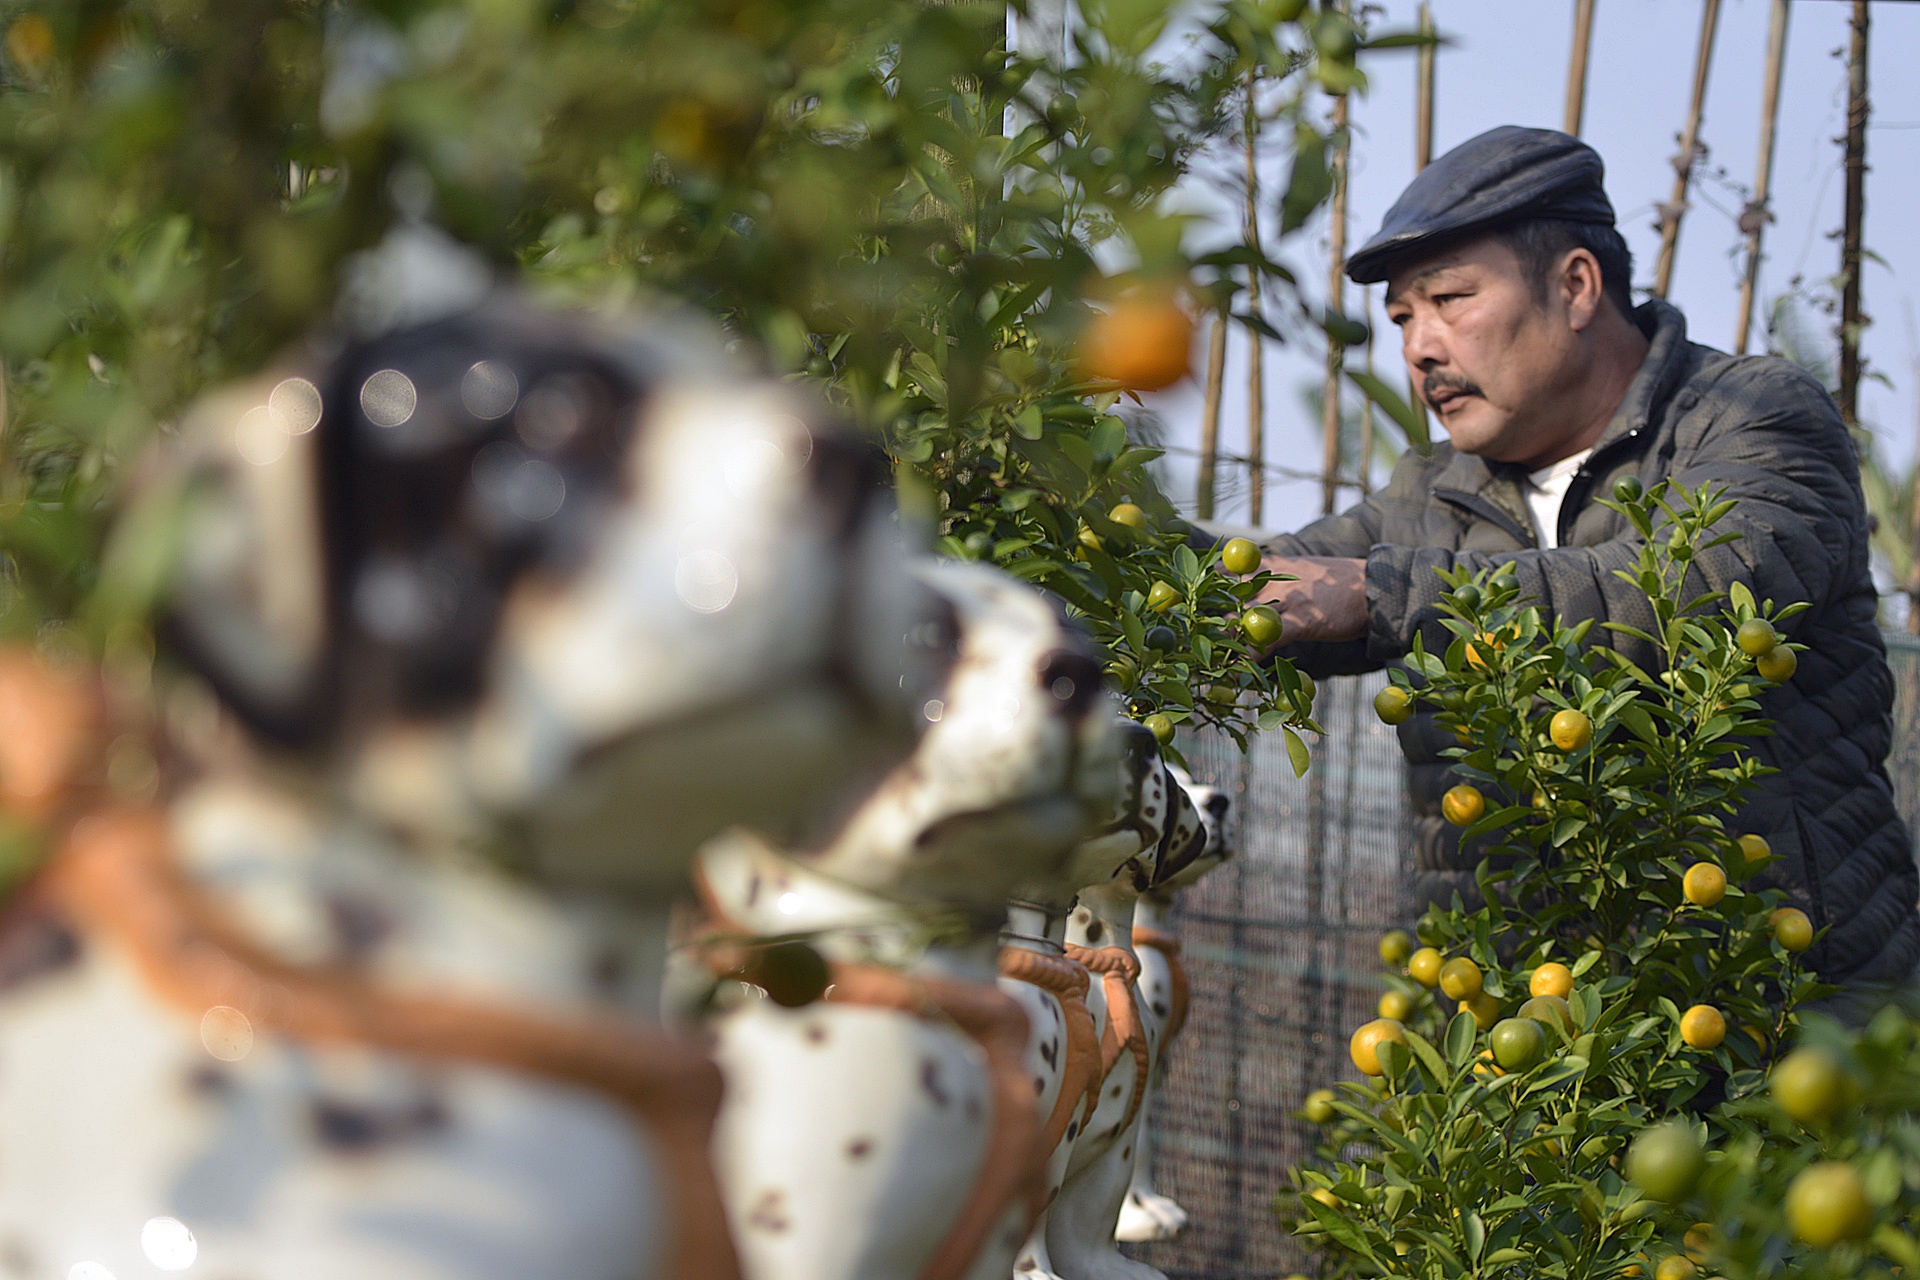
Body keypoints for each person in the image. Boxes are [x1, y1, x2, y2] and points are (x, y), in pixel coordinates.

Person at [1232, 124, 1919, 992]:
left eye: (1450, 300)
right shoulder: (1434, 495)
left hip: (1781, 1017)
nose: (1418, 346)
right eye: (1404, 317)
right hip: (1531, 1057)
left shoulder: (1753, 418)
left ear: (1577, 285)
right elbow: (1251, 584)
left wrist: (1388, 592)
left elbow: (1688, 593)